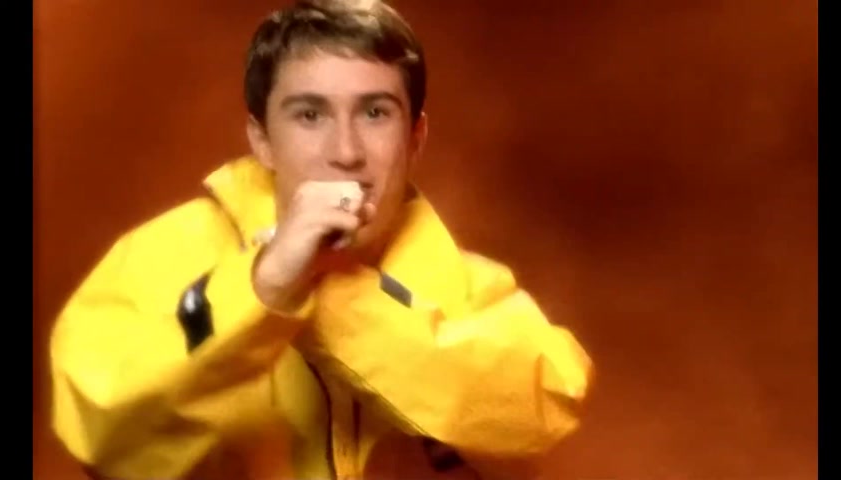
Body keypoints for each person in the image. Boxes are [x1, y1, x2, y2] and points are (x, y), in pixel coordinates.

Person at [48, 1, 594, 479]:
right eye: (310, 115)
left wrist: (328, 290)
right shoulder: (158, 261)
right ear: (262, 139)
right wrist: (263, 288)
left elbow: (538, 418)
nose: (346, 151)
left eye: (375, 113)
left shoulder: (473, 292)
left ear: (415, 138)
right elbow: (103, 434)